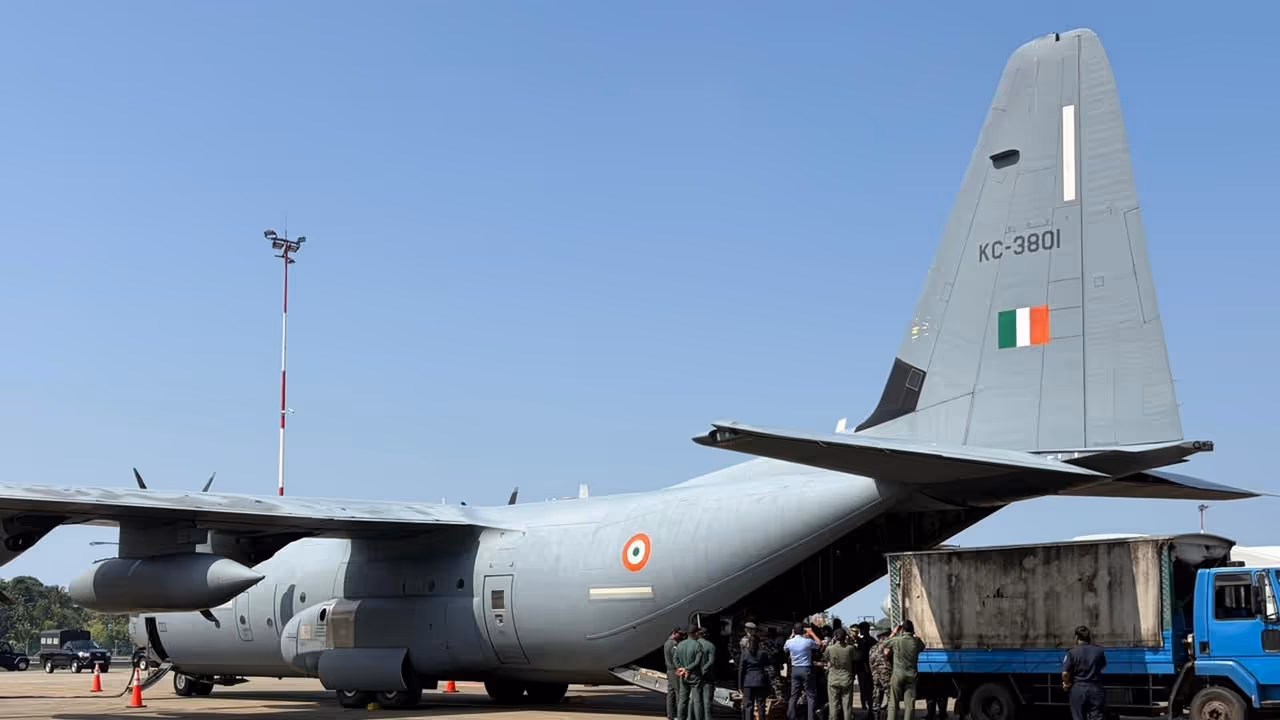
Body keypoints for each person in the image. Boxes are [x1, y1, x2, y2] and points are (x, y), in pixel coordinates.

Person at [1062, 625, 1107, 720]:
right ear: (1089, 637)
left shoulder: (1071, 652)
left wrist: (1066, 684)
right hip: (1096, 688)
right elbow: (1102, 666)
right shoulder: (1099, 651)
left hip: (1078, 689)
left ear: (1076, 637)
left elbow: (1065, 673)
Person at [883, 620, 925, 720]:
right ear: (912, 629)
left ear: (902, 629)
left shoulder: (897, 640)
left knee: (893, 703)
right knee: (909, 705)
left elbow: (884, 643)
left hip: (898, 675)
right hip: (911, 676)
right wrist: (914, 634)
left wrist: (894, 632)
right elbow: (922, 647)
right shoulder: (916, 641)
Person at [784, 622, 824, 720]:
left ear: (794, 631)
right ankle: (810, 717)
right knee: (810, 695)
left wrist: (791, 636)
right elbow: (819, 644)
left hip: (795, 670)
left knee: (794, 695)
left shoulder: (789, 642)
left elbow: (785, 649)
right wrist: (811, 633)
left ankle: (791, 717)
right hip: (806, 669)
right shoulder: (807, 641)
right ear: (803, 631)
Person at [822, 629, 856, 720]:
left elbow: (825, 657)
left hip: (833, 678)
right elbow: (854, 657)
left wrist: (830, 643)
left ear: (834, 637)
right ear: (845, 637)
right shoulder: (850, 648)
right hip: (846, 678)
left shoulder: (830, 648)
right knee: (847, 705)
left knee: (833, 704)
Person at [739, 628, 771, 720]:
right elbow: (767, 664)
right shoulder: (763, 653)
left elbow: (741, 670)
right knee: (761, 705)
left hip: (748, 682)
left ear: (749, 643)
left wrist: (740, 685)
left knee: (748, 706)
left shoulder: (745, 654)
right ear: (759, 643)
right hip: (760, 682)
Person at [675, 625, 706, 720]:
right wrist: (687, 669)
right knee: (697, 701)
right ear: (696, 633)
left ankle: (680, 718)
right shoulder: (697, 645)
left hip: (683, 676)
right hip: (694, 675)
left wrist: (681, 669)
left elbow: (675, 659)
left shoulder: (680, 644)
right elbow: (697, 662)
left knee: (682, 700)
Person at [870, 631, 893, 720]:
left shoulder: (872, 648)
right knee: (890, 696)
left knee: (876, 695)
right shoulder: (887, 647)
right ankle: (889, 715)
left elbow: (870, 662)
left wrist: (873, 672)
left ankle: (876, 715)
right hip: (885, 675)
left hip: (875, 674)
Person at [696, 626, 717, 720]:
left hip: (695, 677)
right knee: (707, 701)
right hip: (708, 677)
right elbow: (711, 661)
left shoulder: (693, 645)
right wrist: (704, 669)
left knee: (696, 700)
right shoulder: (711, 645)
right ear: (705, 634)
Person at [665, 627, 686, 720]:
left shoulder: (666, 643)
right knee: (678, 693)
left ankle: (670, 715)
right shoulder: (673, 644)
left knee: (671, 692)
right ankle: (680, 715)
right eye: (679, 634)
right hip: (674, 671)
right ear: (674, 633)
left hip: (669, 670)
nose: (681, 636)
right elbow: (676, 658)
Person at [855, 622, 875, 713]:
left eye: (861, 629)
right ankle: (868, 704)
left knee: (864, 687)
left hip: (864, 668)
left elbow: (860, 655)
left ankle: (865, 705)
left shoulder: (861, 641)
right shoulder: (873, 640)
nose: (860, 631)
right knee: (868, 687)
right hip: (868, 668)